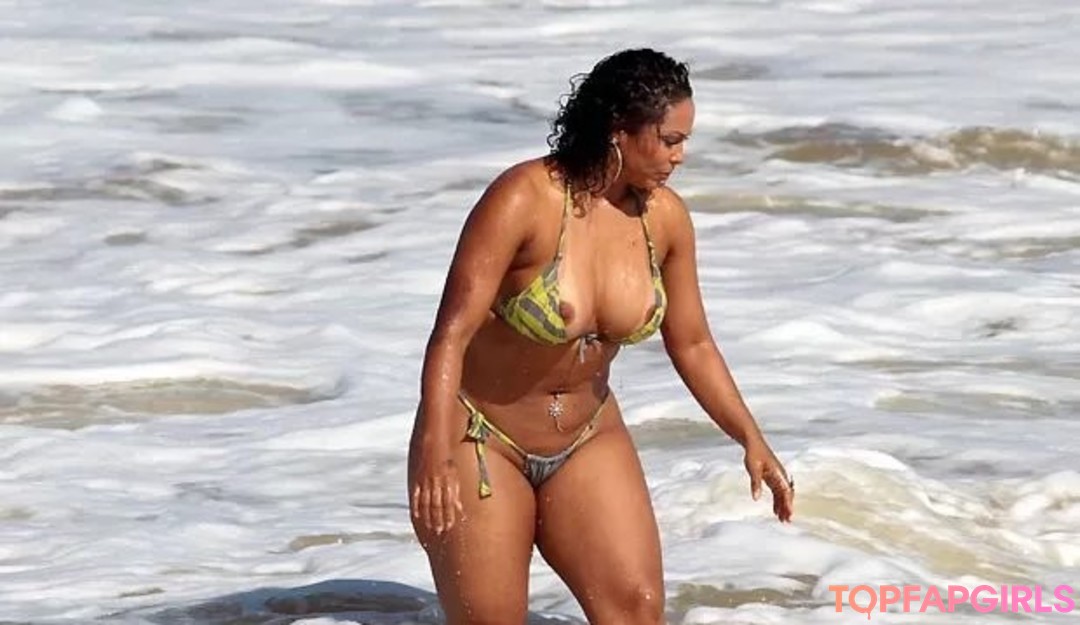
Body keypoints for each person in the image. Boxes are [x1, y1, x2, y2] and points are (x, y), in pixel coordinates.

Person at [407, 48, 795, 625]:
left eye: (684, 141)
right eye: (669, 140)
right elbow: (451, 333)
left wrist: (750, 438)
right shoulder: (524, 199)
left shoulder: (665, 220)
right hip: (481, 437)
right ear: (619, 130)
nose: (680, 156)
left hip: (588, 436)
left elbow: (692, 343)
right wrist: (434, 452)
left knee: (638, 611)